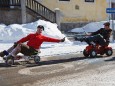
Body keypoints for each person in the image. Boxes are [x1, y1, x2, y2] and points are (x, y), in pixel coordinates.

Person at [0, 25, 65, 62]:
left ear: (42, 31)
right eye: (38, 29)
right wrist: (17, 42)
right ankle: (5, 53)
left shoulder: (42, 37)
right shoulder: (31, 35)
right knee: (16, 44)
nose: (39, 30)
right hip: (27, 49)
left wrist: (60, 40)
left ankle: (11, 56)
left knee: (19, 44)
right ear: (37, 29)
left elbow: (52, 39)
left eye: (41, 30)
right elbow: (24, 39)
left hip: (33, 51)